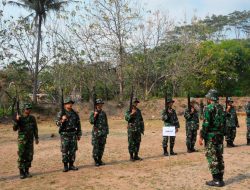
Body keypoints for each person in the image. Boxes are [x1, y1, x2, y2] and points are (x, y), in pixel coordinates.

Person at [199, 89, 225, 187]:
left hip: (211, 136)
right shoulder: (221, 108)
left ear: (210, 98)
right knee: (219, 156)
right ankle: (220, 179)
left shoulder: (208, 108)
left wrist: (201, 136)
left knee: (212, 157)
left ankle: (216, 180)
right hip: (219, 136)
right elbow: (224, 123)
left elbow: (206, 124)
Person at [13, 103, 39, 179]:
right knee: (22, 155)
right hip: (22, 140)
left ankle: (27, 171)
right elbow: (14, 129)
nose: (29, 110)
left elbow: (35, 128)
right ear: (24, 109)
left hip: (30, 140)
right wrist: (17, 120)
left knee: (29, 155)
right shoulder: (19, 117)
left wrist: (36, 138)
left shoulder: (32, 118)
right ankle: (21, 172)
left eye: (30, 108)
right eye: (27, 109)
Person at [56, 97, 82, 172]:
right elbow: (57, 123)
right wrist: (62, 120)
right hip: (64, 134)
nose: (70, 104)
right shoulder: (61, 113)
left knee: (72, 150)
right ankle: (65, 166)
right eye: (68, 103)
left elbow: (78, 124)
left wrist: (79, 134)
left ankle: (71, 165)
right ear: (65, 105)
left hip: (73, 134)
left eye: (71, 103)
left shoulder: (75, 113)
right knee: (65, 150)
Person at [89, 98, 109, 166]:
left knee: (102, 147)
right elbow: (91, 121)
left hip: (103, 133)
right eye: (99, 104)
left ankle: (100, 159)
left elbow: (106, 123)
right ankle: (96, 160)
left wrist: (107, 132)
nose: (100, 105)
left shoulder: (103, 113)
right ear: (96, 105)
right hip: (96, 133)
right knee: (96, 147)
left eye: (101, 104)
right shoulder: (93, 112)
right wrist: (95, 115)